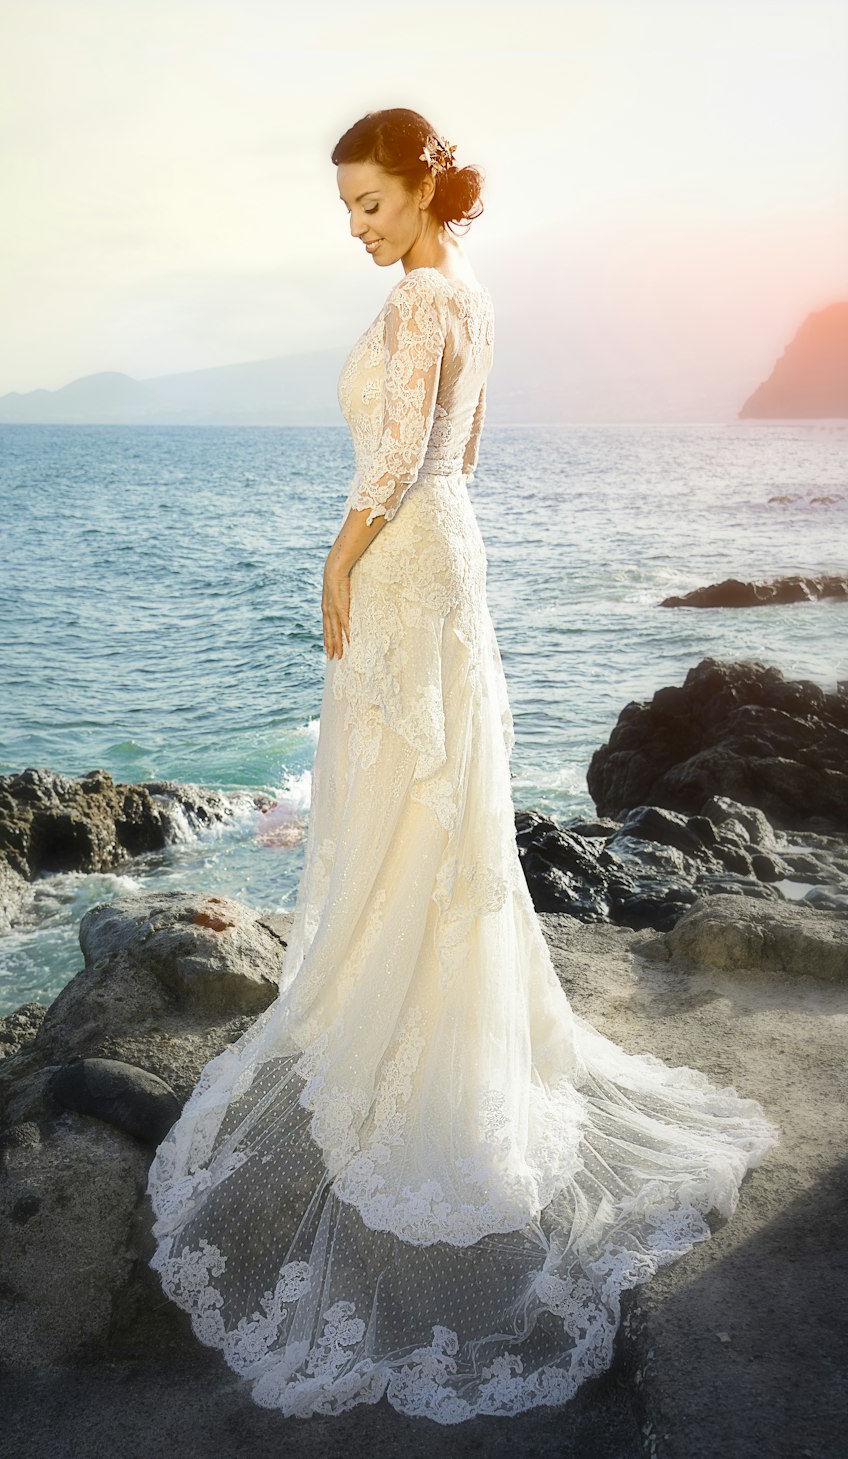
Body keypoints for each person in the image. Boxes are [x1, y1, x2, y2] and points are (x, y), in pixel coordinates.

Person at [146, 107, 781, 1424]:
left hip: (403, 557)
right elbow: (465, 454)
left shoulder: (426, 299)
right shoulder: (472, 296)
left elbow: (391, 463)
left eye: (372, 203)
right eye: (347, 212)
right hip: (452, 549)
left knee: (403, 801)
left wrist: (338, 560)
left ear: (424, 183)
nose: (359, 229)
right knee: (437, 807)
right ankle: (429, 1016)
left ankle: (396, 1039)